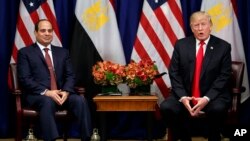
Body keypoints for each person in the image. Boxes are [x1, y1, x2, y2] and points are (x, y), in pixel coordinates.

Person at [160, 11, 232, 141]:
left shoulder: (223, 47)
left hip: (213, 96)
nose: (200, 29)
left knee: (218, 109)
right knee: (166, 107)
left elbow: (224, 76)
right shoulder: (181, 45)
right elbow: (174, 72)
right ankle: (183, 137)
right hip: (186, 94)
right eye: (196, 25)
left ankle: (213, 137)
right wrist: (182, 97)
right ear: (191, 28)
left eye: (203, 24)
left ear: (210, 25)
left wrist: (206, 98)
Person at [17, 19, 92, 141]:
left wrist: (66, 91)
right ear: (35, 33)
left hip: (61, 93)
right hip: (39, 95)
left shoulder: (62, 52)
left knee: (80, 100)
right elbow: (25, 79)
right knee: (48, 101)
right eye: (43, 30)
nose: (47, 33)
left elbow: (70, 75)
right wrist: (47, 92)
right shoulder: (25, 53)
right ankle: (51, 139)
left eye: (50, 31)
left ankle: (87, 137)